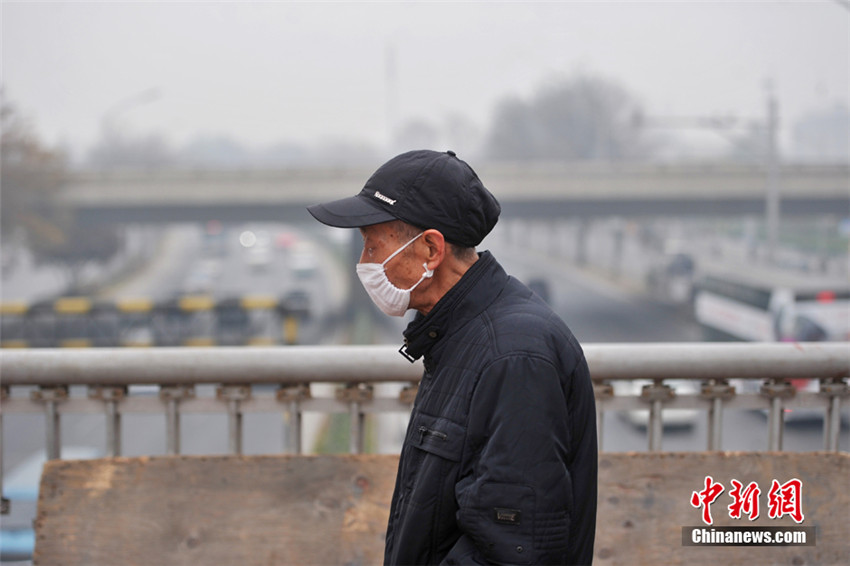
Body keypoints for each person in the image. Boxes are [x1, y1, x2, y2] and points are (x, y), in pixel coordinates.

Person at [308, 149, 597, 565]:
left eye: (373, 247)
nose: (363, 264)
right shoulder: (460, 337)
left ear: (430, 249)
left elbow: (512, 548)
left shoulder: (513, 356)